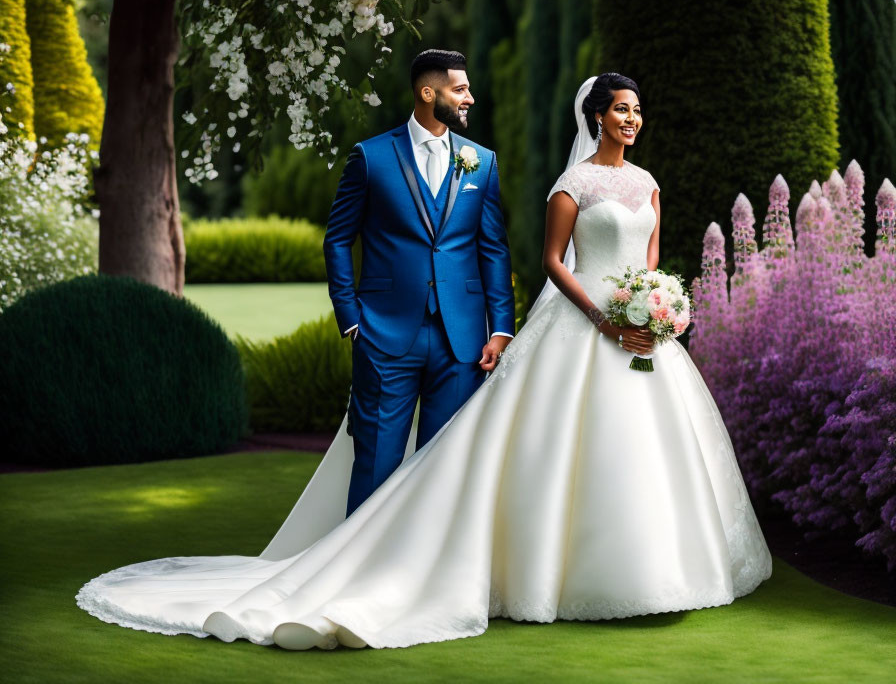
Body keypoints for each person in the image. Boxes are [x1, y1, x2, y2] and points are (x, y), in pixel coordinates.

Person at [77, 73, 772, 650]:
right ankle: (427, 561)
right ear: (596, 116)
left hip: (638, 335)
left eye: (638, 110)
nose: (633, 119)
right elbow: (552, 261)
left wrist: (652, 305)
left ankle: (657, 572)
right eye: (622, 109)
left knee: (645, 452)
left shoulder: (647, 182)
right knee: (515, 446)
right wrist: (602, 316)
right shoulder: (574, 184)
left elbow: (647, 260)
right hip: (575, 324)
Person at [323, 49, 515, 516]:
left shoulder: (481, 162)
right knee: (375, 462)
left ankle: (431, 582)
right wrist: (351, 319)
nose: (470, 97)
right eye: (460, 89)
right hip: (385, 334)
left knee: (446, 467)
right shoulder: (370, 158)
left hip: (462, 339)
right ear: (429, 93)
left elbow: (492, 248)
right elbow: (337, 240)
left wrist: (501, 327)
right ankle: (359, 576)